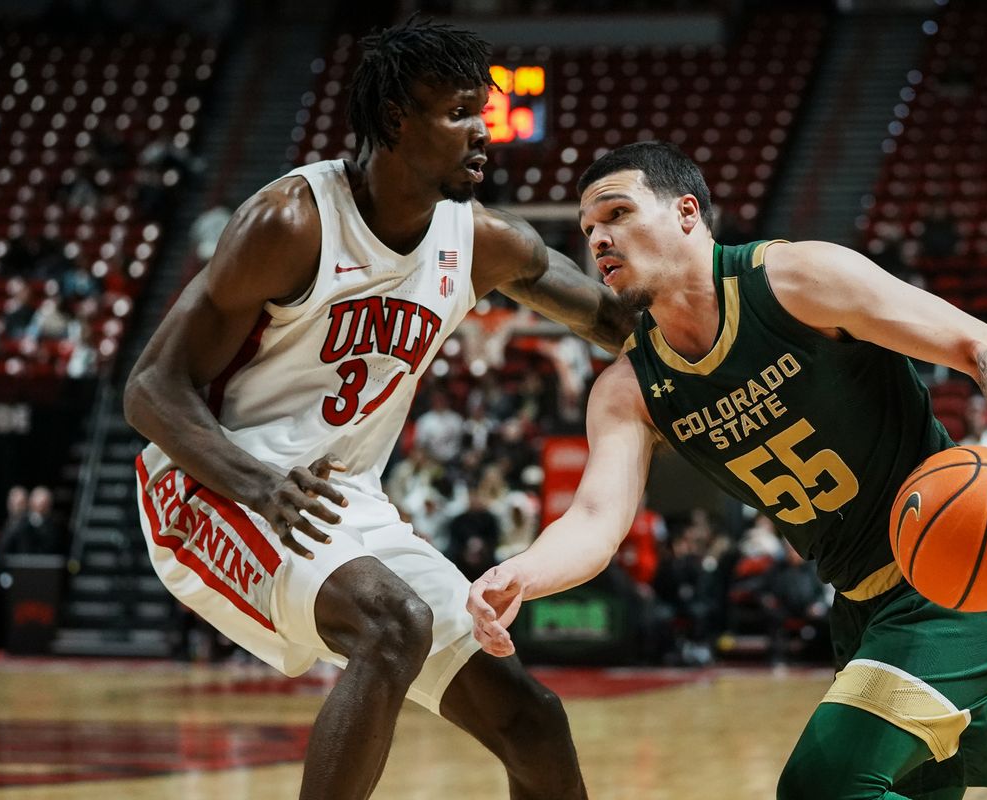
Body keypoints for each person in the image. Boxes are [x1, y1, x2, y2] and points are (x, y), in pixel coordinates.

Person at [468, 142, 987, 800]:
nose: (600, 239)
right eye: (589, 229)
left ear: (686, 213)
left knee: (820, 786)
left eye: (617, 212)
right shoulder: (629, 389)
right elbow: (594, 519)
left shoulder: (796, 280)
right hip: (861, 607)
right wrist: (523, 572)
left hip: (958, 575)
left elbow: (980, 344)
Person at [124, 18, 635, 800]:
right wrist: (258, 486)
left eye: (483, 110)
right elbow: (151, 389)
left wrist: (740, 312)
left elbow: (612, 320)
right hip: (213, 486)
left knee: (531, 721)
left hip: (338, 502)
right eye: (461, 110)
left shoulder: (482, 241)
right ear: (398, 117)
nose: (482, 130)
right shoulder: (292, 223)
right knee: (393, 623)